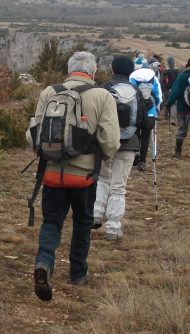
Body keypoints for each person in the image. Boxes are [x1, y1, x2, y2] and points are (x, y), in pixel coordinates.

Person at [28, 51, 120, 301]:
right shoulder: (102, 96)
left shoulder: (49, 92)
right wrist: (100, 156)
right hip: (85, 177)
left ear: (69, 70)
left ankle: (44, 262)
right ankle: (78, 273)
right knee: (82, 223)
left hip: (51, 174)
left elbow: (33, 134)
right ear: (93, 71)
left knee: (52, 222)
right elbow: (111, 141)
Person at [93, 56, 140, 241]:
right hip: (129, 144)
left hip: (106, 142)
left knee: (102, 178)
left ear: (112, 70)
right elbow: (145, 120)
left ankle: (96, 214)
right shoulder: (136, 90)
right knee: (118, 187)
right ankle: (113, 228)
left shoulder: (103, 89)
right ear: (131, 71)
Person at [129, 63, 162, 172]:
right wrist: (156, 108)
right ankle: (142, 161)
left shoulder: (133, 77)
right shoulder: (153, 78)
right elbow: (158, 96)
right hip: (150, 113)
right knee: (146, 137)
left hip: (136, 112)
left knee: (135, 134)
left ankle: (135, 153)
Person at [162, 56, 180, 124]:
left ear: (168, 62)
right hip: (175, 90)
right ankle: (173, 118)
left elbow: (161, 81)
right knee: (174, 104)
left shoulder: (165, 71)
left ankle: (166, 117)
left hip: (166, 90)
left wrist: (161, 89)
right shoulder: (178, 71)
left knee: (166, 103)